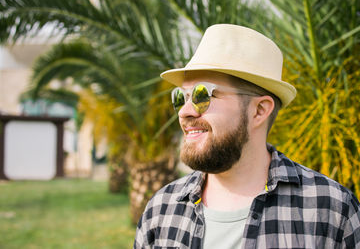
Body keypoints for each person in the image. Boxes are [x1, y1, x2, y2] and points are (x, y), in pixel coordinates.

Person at [133, 24, 360, 248]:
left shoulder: (332, 211)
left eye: (202, 95)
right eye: (180, 97)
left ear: (259, 110)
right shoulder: (161, 210)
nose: (184, 111)